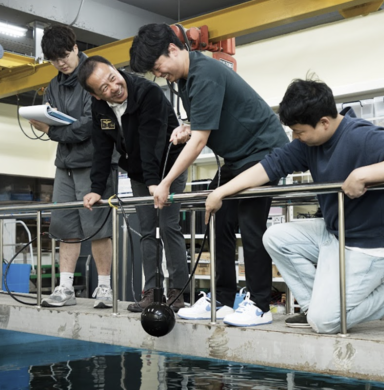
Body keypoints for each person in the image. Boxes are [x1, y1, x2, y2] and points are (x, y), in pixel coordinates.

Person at [205, 77, 384, 334]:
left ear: (324, 122)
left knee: (325, 322)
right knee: (274, 237)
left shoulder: (362, 136)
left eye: (300, 131)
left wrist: (364, 174)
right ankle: (313, 307)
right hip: (338, 233)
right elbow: (270, 166)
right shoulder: (308, 144)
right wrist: (221, 192)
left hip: (374, 246)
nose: (295, 137)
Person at [129, 23, 289, 327]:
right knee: (217, 220)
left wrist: (164, 183)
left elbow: (200, 141)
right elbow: (207, 122)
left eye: (157, 66)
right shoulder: (186, 79)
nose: (158, 74)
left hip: (263, 151)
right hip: (237, 156)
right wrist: (188, 126)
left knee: (251, 225)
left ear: (173, 50)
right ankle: (223, 298)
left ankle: (260, 304)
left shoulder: (206, 73)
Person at [77, 55, 188, 313]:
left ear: (116, 69)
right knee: (147, 230)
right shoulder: (100, 109)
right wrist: (95, 189)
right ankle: (151, 291)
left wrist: (155, 183)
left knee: (168, 226)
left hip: (170, 166)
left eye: (112, 78)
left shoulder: (147, 92)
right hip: (139, 172)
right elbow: (102, 149)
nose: (114, 88)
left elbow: (152, 141)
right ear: (96, 96)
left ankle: (178, 292)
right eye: (104, 88)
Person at [28, 25, 116, 309]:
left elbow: (89, 126)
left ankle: (104, 288)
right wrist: (44, 123)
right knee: (66, 227)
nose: (61, 63)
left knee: (98, 228)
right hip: (64, 164)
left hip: (93, 164)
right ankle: (65, 287)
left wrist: (51, 131)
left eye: (64, 55)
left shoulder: (95, 75)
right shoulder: (53, 85)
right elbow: (57, 122)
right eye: (54, 60)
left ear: (76, 47)